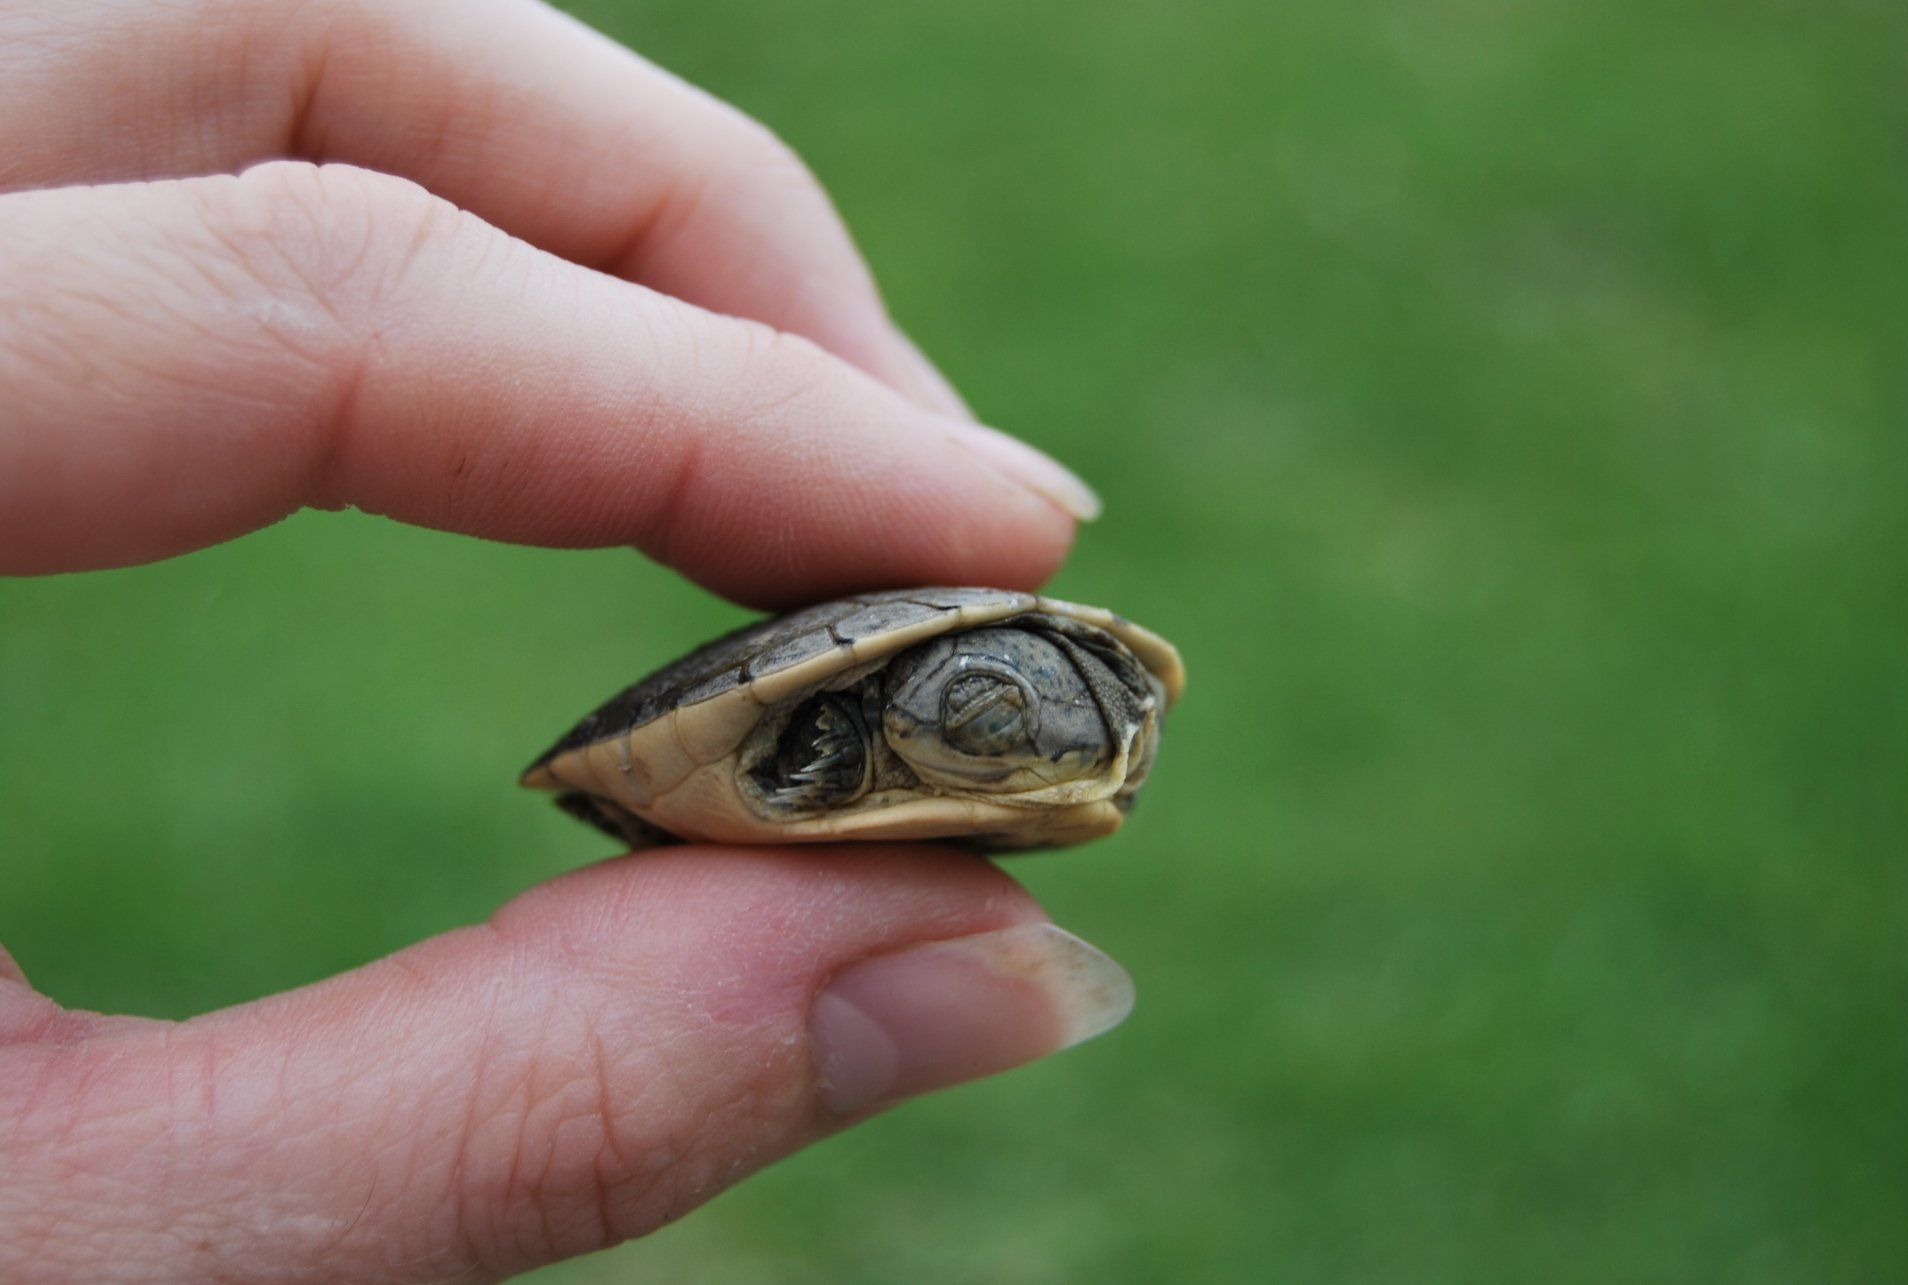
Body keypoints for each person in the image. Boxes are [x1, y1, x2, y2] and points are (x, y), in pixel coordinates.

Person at [0, 1, 1132, 1278]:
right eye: (973, 700)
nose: (988, 719)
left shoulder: (1096, 702)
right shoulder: (873, 710)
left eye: (1005, 717)